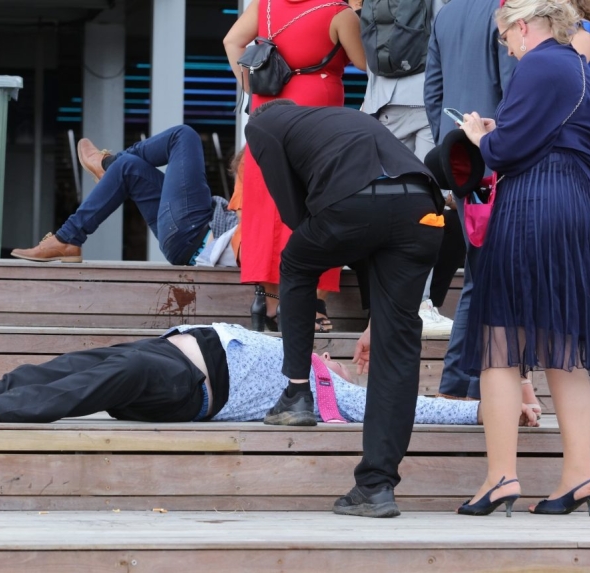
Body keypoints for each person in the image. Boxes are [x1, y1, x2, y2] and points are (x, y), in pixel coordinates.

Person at [456, 0, 590, 518]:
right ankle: (580, 474)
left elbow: (504, 152)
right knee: (563, 343)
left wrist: (480, 135)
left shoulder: (538, 63)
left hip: (535, 202)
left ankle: (501, 477)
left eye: (506, 37)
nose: (506, 48)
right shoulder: (578, 64)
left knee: (500, 343)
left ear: (524, 27)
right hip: (577, 205)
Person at [244, 100, 444, 518]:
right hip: (422, 206)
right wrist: (376, 318)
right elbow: (379, 220)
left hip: (358, 202)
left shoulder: (262, 125)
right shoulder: (340, 119)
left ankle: (298, 393)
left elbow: (295, 212)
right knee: (398, 347)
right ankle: (375, 486)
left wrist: (333, 235)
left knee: (297, 262)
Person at [0, 324, 539, 429]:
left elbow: (407, 406)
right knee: (46, 367)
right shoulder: (305, 352)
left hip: (191, 385)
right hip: (170, 350)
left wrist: (484, 411)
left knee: (97, 380)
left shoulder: (332, 394)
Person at [223, 0, 367, 333]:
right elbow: (364, 61)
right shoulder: (338, 13)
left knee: (268, 206)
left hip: (266, 112)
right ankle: (308, 302)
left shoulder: (266, 6)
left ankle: (268, 302)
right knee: (314, 206)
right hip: (315, 117)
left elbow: (231, 41)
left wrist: (249, 84)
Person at [424, 0, 518, 402]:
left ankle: (462, 383)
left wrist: (453, 150)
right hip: (498, 153)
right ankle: (468, 382)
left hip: (463, 156)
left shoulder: (447, 13)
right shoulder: (507, 10)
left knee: (481, 269)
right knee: (489, 272)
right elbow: (515, 87)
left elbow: (433, 91)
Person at [10, 125, 237, 267]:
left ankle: (106, 163)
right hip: (190, 237)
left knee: (183, 136)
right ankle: (67, 239)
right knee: (129, 167)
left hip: (197, 234)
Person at [360, 0, 455, 337]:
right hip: (427, 99)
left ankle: (381, 305)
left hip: (381, 102)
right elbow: (448, 38)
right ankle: (420, 303)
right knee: (428, 202)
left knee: (386, 203)